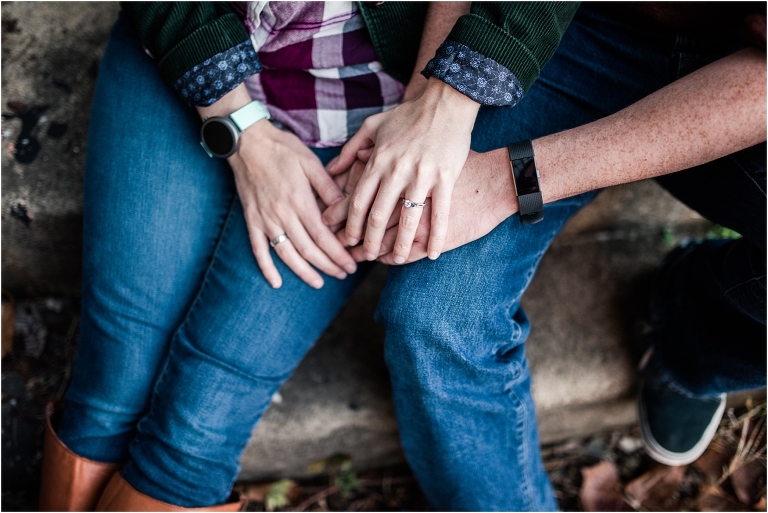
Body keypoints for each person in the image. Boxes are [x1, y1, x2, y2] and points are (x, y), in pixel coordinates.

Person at [38, 2, 582, 511]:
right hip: (188, 45)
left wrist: (432, 111)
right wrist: (241, 130)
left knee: (194, 429)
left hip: (364, 111)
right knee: (110, 389)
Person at [325, 2, 766, 471]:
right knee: (435, 314)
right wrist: (425, 112)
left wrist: (509, 180)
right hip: (560, 27)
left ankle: (695, 339)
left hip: (741, 81)